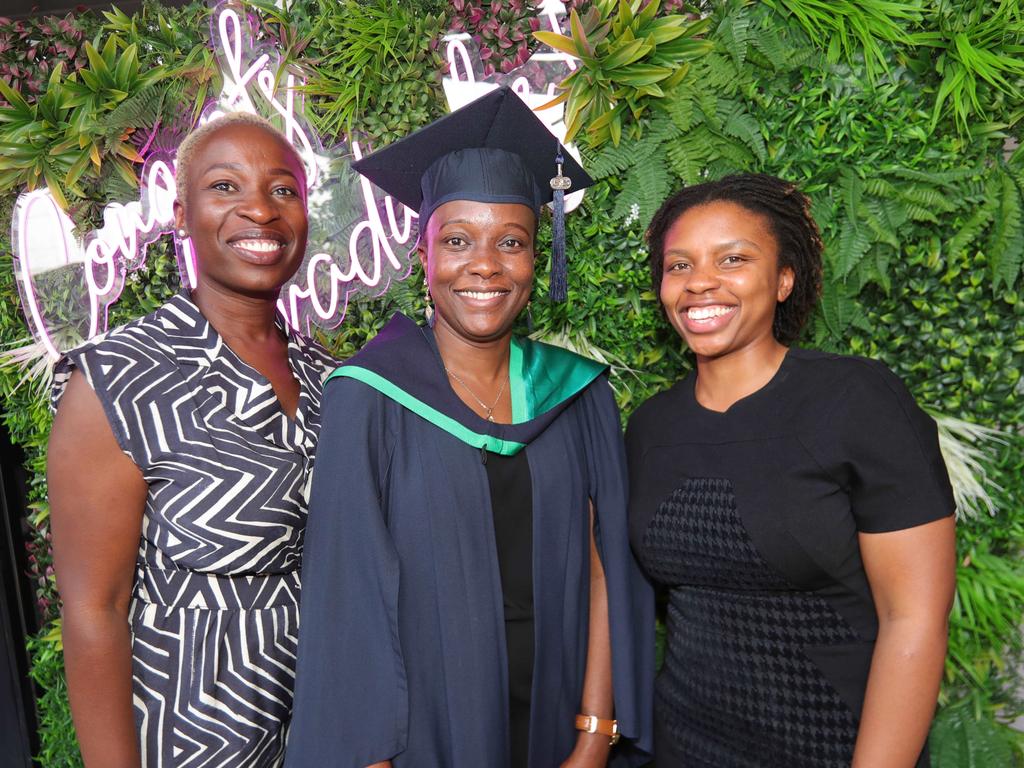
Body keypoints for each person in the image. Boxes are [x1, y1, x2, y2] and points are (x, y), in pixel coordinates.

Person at [285, 87, 654, 768]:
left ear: (537, 258)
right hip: (424, 736)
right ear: (423, 257)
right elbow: (348, 598)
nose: (484, 266)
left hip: (559, 722)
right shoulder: (369, 398)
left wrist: (595, 734)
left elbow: (610, 573)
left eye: (510, 242)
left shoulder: (578, 396)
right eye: (457, 241)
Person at [626, 173, 956, 767]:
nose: (700, 281)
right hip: (686, 745)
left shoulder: (856, 401)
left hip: (835, 746)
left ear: (784, 280)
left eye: (733, 259)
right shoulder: (651, 428)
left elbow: (915, 619)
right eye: (679, 265)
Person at [47, 112, 337, 767]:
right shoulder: (120, 378)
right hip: (194, 739)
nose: (259, 210)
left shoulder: (331, 379)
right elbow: (95, 609)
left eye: (282, 189)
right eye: (225, 187)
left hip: (327, 731)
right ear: (181, 214)